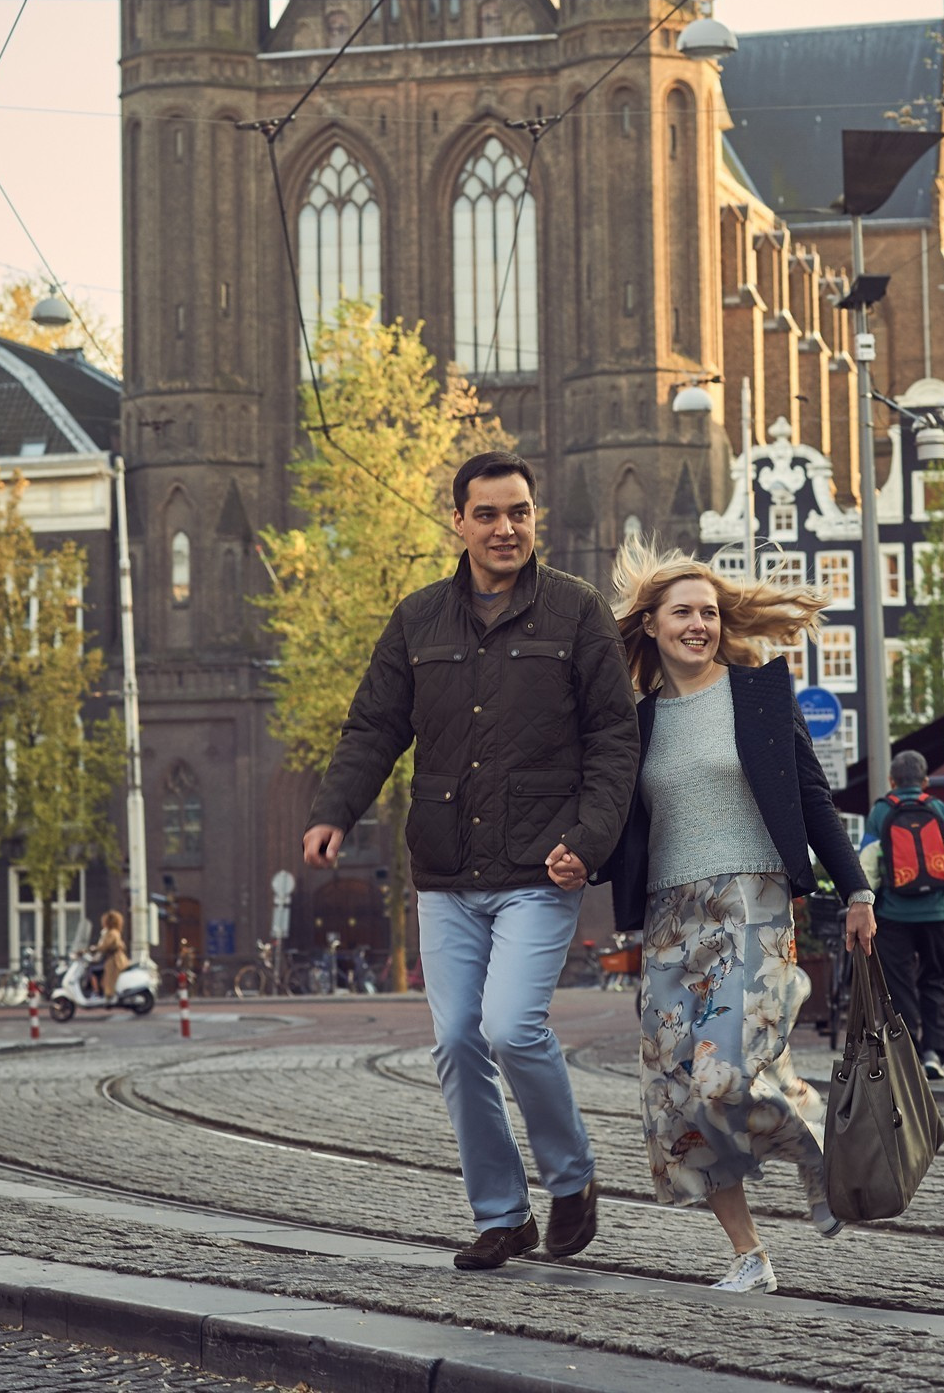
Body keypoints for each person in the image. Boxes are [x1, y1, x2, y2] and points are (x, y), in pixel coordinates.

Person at [302, 451, 639, 1271]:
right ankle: (501, 1215)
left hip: (539, 864)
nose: (505, 528)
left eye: (518, 512)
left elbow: (614, 740)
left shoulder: (577, 612)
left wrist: (587, 842)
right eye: (487, 514)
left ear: (536, 518)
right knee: (457, 1041)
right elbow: (374, 727)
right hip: (448, 871)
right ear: (458, 521)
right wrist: (332, 812)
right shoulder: (418, 619)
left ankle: (572, 1180)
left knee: (512, 1027)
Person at [603, 544, 876, 1297]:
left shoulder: (758, 694)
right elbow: (612, 821)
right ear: (651, 625)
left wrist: (856, 892)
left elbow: (813, 796)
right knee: (677, 1100)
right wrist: (571, 856)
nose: (699, 625)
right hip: (667, 918)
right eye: (683, 612)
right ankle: (749, 1255)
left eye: (709, 614)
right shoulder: (638, 721)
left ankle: (817, 1141)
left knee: (724, 1075)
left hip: (750, 904)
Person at [859, 752, 944, 1081]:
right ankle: (935, 1053)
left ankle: (906, 1052)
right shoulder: (941, 810)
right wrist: (940, 885)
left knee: (898, 985)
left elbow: (867, 868)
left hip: (894, 916)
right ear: (926, 781)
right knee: (937, 979)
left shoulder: (881, 812)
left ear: (891, 781)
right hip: (940, 914)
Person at [89, 910, 128, 1000]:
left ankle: (99, 993)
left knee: (93, 971)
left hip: (114, 960)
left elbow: (105, 946)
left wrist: (93, 949)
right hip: (113, 958)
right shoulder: (113, 932)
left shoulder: (112, 933)